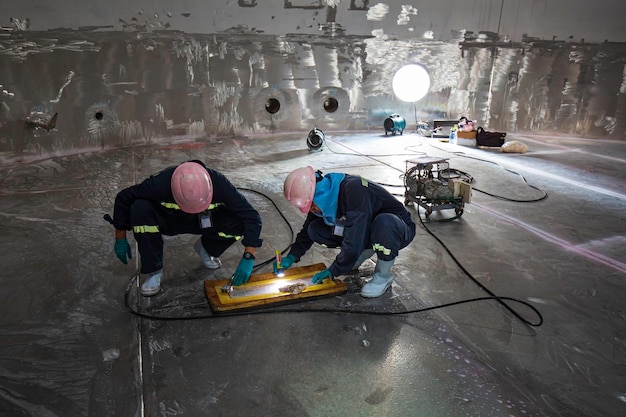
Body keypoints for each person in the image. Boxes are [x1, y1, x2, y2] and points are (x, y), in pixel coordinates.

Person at [105, 160, 263, 296]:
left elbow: (251, 216)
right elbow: (124, 197)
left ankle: (207, 249)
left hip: (204, 220)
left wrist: (249, 256)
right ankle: (153, 270)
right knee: (139, 209)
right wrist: (120, 237)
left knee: (238, 222)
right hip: (170, 219)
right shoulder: (159, 184)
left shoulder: (219, 184)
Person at [274, 166, 416, 298]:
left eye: (311, 205)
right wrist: (292, 256)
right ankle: (362, 252)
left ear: (317, 194)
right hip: (367, 229)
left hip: (396, 229)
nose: (311, 209)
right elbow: (306, 232)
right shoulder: (320, 200)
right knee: (315, 229)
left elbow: (355, 235)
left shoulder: (353, 190)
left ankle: (383, 276)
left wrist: (335, 269)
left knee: (384, 223)